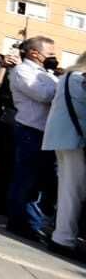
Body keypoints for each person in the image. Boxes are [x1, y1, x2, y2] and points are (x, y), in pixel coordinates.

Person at [8, 36, 59, 238]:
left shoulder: (47, 74)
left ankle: (33, 223)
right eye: (50, 53)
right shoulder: (22, 71)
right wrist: (59, 87)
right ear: (34, 53)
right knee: (25, 179)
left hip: (46, 134)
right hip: (30, 131)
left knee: (42, 181)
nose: (53, 57)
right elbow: (44, 95)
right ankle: (19, 223)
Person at [44, 53, 86, 259]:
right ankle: (64, 239)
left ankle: (62, 235)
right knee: (73, 191)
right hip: (74, 140)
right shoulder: (79, 80)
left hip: (62, 138)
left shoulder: (68, 78)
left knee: (68, 190)